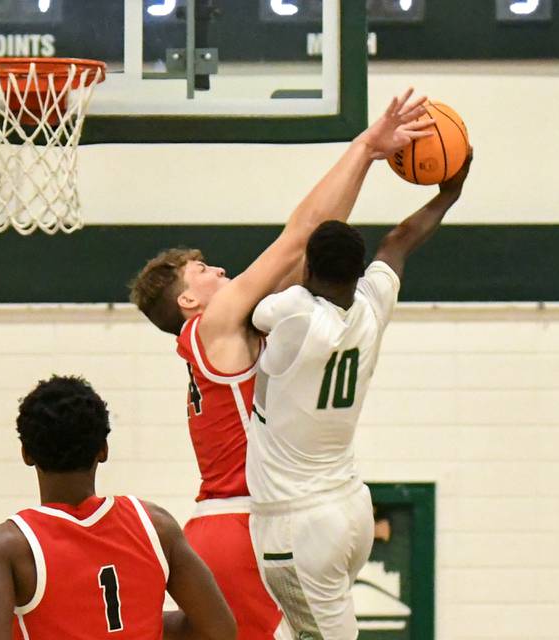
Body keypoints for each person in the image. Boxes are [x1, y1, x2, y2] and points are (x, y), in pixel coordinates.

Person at [130, 90, 434, 640]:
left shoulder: (233, 332)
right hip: (253, 520)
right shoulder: (214, 325)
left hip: (233, 523)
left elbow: (309, 259)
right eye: (200, 270)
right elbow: (301, 237)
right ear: (187, 303)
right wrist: (365, 148)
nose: (216, 268)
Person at [246, 152, 473, 639]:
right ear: (356, 271)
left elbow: (246, 310)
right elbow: (399, 241)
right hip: (349, 510)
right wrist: (447, 195)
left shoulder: (294, 312)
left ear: (307, 265)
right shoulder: (371, 306)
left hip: (297, 524)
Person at [0, 375, 236, 640]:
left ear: (26, 453)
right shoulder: (155, 525)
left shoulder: (5, 546)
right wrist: (133, 620)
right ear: (103, 450)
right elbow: (219, 630)